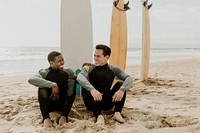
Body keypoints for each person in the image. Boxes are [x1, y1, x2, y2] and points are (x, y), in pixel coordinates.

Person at [77, 44, 133, 124]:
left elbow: (129, 79)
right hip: (92, 101)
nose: (95, 58)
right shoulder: (88, 67)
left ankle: (117, 113)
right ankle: (99, 116)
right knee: (85, 87)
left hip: (106, 103)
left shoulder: (113, 69)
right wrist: (92, 89)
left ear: (106, 57)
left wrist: (122, 90)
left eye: (98, 56)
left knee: (120, 84)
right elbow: (80, 77)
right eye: (95, 55)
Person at [28, 51, 76, 128]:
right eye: (59, 61)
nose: (62, 62)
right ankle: (46, 118)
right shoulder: (44, 72)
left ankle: (64, 115)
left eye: (63, 60)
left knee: (72, 82)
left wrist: (85, 69)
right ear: (51, 62)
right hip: (49, 105)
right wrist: (53, 85)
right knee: (42, 87)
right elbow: (31, 79)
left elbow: (79, 79)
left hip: (63, 105)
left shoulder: (68, 72)